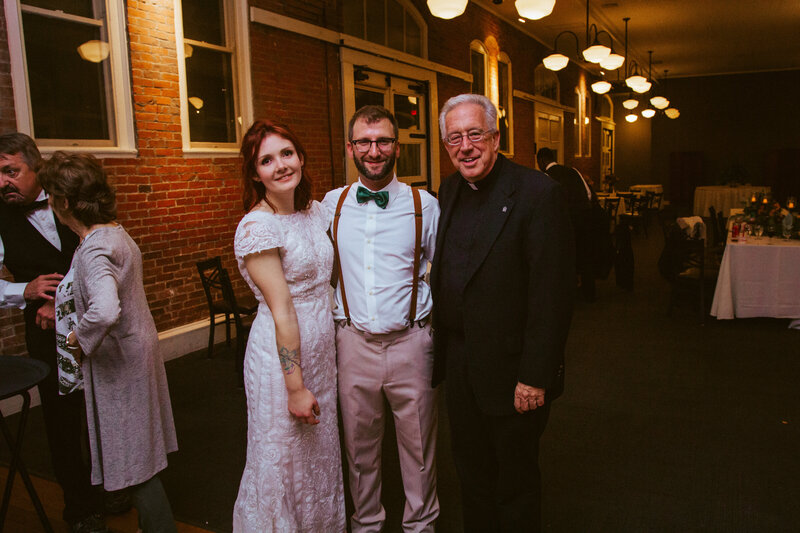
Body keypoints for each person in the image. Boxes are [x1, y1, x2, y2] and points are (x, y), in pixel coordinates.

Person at [431, 94, 574, 532]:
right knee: (471, 473)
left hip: (515, 371)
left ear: (496, 138)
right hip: (461, 364)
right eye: (454, 137)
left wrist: (536, 375)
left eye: (475, 134)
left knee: (514, 482)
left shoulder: (539, 194)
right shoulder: (450, 189)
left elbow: (553, 296)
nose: (465, 146)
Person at [37, 152, 178, 533]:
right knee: (139, 456)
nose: (49, 202)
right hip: (134, 354)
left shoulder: (96, 247)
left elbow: (104, 309)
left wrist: (76, 339)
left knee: (135, 463)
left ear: (65, 202)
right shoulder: (114, 232)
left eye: (51, 194)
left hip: (121, 364)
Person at [322, 105, 440, 532]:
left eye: (383, 141)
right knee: (359, 450)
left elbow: (442, 269)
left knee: (420, 449)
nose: (375, 151)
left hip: (412, 343)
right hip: (352, 344)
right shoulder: (330, 206)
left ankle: (420, 526)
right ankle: (366, 524)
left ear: (396, 146)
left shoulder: (424, 205)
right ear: (351, 148)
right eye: (365, 142)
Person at [232, 120, 345, 532]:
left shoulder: (314, 211)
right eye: (266, 160)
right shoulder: (257, 228)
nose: (280, 165)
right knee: (281, 457)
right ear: (254, 173)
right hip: (281, 364)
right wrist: (295, 387)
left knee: (317, 457)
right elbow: (282, 311)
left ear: (300, 156)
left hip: (322, 354)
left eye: (286, 153)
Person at [0, 133, 110, 533]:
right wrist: (23, 291)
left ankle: (115, 486)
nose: (2, 183)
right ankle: (79, 508)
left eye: (10, 171)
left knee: (105, 406)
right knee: (63, 422)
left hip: (99, 322)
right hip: (45, 334)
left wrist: (60, 297)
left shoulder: (71, 195)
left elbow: (100, 248)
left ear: (36, 168)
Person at [536, 147, 595, 302]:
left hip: (564, 225)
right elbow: (588, 194)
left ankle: (567, 295)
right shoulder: (574, 172)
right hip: (584, 221)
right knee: (585, 256)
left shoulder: (545, 176)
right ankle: (589, 293)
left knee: (565, 260)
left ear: (541, 161)